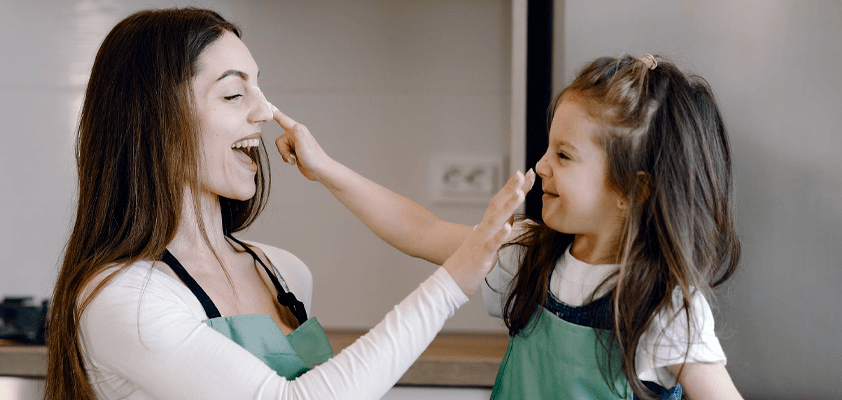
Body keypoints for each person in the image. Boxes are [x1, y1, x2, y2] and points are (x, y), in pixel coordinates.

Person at [44, 7, 535, 400]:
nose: (264, 111)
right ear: (156, 120)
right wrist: (451, 283)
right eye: (235, 94)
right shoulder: (124, 298)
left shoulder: (282, 272)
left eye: (258, 88)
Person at [274, 54, 744, 399]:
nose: (540, 166)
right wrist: (326, 168)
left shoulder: (665, 308)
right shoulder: (528, 252)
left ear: (632, 190)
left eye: (563, 155)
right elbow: (420, 229)